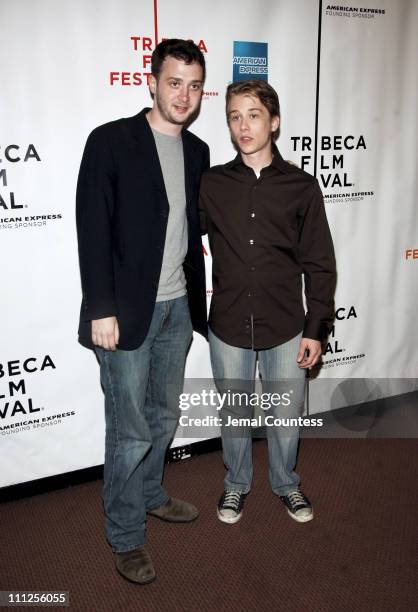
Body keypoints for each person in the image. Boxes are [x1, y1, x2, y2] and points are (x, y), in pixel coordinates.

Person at [76, 39, 209, 584]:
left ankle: (152, 493)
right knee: (128, 430)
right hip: (126, 314)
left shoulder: (198, 150)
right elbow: (92, 227)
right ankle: (126, 535)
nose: (184, 94)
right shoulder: (111, 141)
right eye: (174, 82)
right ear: (151, 81)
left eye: (194, 85)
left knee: (164, 415)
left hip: (178, 308)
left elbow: (190, 227)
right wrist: (101, 308)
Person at [199, 80, 336, 525]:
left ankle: (286, 483)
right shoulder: (212, 183)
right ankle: (236, 484)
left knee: (284, 415)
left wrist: (317, 328)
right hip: (229, 323)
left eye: (253, 115)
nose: (243, 125)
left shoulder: (302, 187)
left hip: (285, 324)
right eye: (235, 116)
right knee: (234, 412)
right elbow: (174, 234)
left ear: (273, 122)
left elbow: (319, 262)